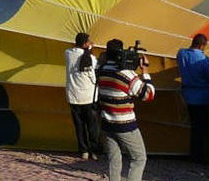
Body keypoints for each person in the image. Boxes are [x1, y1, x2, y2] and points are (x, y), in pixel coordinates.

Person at [96, 38, 155, 181]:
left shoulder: (101, 70)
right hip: (125, 125)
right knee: (139, 158)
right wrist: (145, 72)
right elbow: (148, 95)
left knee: (114, 160)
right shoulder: (127, 75)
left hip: (107, 122)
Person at [177, 33, 209, 166]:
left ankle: (196, 156)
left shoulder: (182, 54)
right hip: (205, 98)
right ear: (203, 45)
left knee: (196, 128)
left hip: (189, 97)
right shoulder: (204, 60)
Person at [65, 32, 100, 160]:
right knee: (92, 126)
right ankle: (94, 151)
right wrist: (90, 51)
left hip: (73, 96)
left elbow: (75, 51)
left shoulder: (68, 54)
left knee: (79, 126)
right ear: (85, 44)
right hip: (89, 97)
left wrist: (87, 49)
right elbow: (93, 76)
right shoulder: (91, 59)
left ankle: (84, 150)